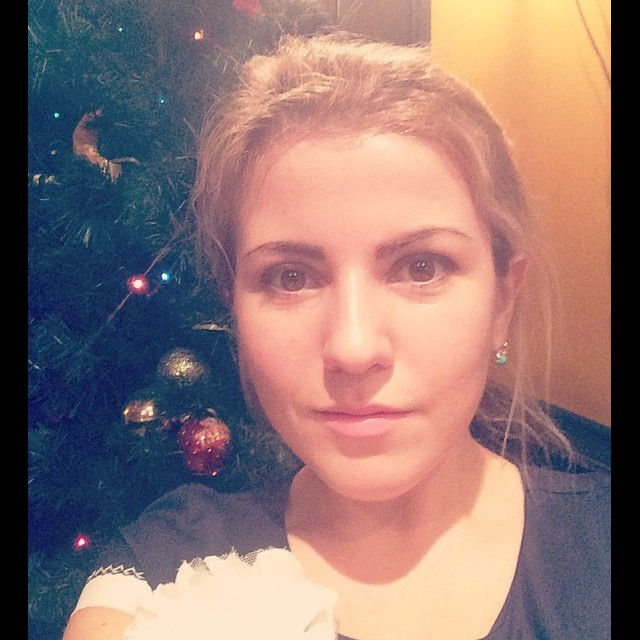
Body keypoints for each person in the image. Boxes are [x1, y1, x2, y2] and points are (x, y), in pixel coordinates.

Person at [63, 33, 610, 640]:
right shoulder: (157, 581)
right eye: (291, 277)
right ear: (233, 302)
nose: (353, 349)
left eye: (421, 267)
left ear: (502, 300)